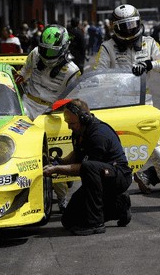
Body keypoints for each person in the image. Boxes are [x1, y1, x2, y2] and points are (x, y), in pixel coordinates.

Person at [93, 4, 160, 209]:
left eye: (132, 24)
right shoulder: (107, 47)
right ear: (115, 27)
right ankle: (107, 195)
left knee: (157, 151)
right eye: (124, 26)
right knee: (114, 152)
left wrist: (150, 64)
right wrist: (114, 81)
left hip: (143, 104)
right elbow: (97, 74)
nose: (129, 29)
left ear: (138, 22)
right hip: (117, 105)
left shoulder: (149, 43)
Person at [14, 24, 81, 212]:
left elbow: (72, 99)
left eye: (51, 51)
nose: (46, 53)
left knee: (51, 155)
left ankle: (62, 197)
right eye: (44, 48)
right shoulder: (35, 53)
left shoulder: (72, 71)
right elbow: (23, 74)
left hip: (51, 112)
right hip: (25, 105)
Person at [43, 99, 132, 236]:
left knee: (89, 167)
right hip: (98, 178)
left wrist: (57, 170)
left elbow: (84, 168)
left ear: (84, 118)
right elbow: (77, 154)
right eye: (67, 123)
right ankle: (119, 207)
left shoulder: (99, 135)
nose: (69, 127)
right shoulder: (79, 132)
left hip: (118, 177)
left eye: (72, 123)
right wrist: (59, 162)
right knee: (68, 220)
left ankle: (95, 224)